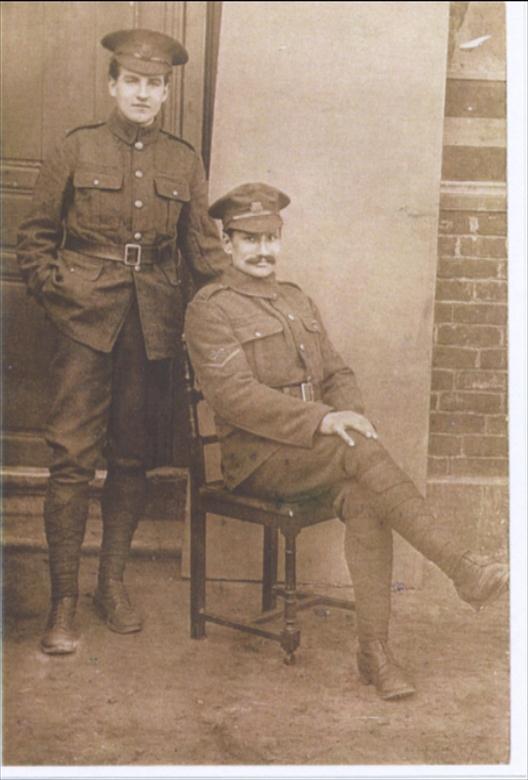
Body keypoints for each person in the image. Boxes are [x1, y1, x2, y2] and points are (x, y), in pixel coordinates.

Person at [184, 182, 509, 701]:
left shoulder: (295, 299)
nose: (264, 250)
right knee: (352, 448)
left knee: (366, 499)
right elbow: (234, 399)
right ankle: (460, 566)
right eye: (249, 239)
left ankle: (374, 654)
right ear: (227, 244)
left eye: (271, 237)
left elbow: (336, 370)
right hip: (258, 459)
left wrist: (349, 411)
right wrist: (325, 420)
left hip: (314, 457)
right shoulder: (211, 308)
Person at [16, 29, 227, 655]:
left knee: (132, 457)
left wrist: (236, 310)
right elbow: (34, 239)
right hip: (84, 320)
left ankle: (111, 583)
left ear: (165, 92)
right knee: (72, 459)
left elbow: (204, 254)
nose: (143, 93)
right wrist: (61, 295)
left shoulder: (183, 160)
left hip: (153, 323)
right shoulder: (76, 148)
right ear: (113, 85)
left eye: (154, 84)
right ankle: (64, 603)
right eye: (132, 81)